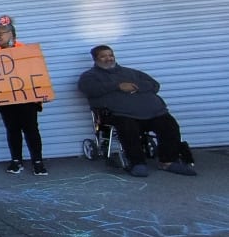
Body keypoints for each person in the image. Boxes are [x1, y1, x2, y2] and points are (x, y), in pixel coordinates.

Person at [78, 44, 197, 177]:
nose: (108, 58)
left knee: (169, 125)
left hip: (151, 112)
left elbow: (154, 85)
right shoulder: (90, 76)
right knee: (128, 128)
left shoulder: (131, 73)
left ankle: (168, 161)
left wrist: (136, 87)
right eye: (103, 56)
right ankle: (137, 163)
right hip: (119, 114)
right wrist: (117, 86)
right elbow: (89, 89)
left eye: (110, 55)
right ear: (95, 59)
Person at [0, 15, 47, 176]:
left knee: (31, 129)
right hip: (6, 99)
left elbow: (36, 72)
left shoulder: (25, 50)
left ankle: (37, 161)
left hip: (27, 98)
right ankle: (16, 160)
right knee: (12, 129)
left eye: (0, 34)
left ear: (11, 34)